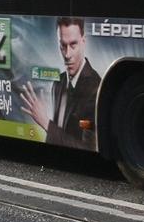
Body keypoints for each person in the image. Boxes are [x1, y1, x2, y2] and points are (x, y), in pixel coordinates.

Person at [19, 16, 100, 148]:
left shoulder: (95, 87)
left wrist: (45, 123)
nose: (67, 54)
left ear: (83, 42)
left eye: (73, 45)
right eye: (63, 45)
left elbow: (87, 148)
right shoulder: (59, 82)